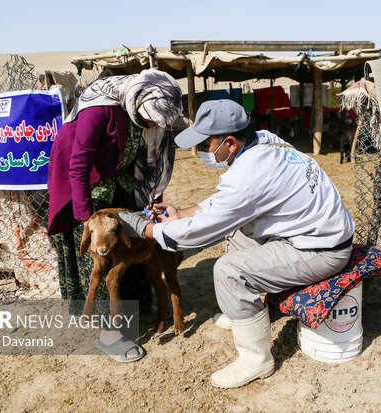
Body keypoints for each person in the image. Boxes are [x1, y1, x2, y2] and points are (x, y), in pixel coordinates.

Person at [119, 99, 354, 388]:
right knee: (237, 232)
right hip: (320, 230)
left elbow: (203, 229)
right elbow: (225, 205)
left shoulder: (249, 176)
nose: (201, 151)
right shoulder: (265, 142)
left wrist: (145, 229)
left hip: (322, 250)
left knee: (229, 270)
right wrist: (182, 214)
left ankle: (257, 359)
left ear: (229, 142)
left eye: (205, 145)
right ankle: (242, 312)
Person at [47, 69, 182, 362]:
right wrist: (89, 225)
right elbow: (78, 167)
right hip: (84, 188)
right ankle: (110, 335)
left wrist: (151, 203)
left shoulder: (145, 108)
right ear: (137, 103)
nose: (151, 125)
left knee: (129, 253)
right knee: (100, 265)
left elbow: (152, 163)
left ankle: (132, 314)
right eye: (148, 119)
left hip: (119, 182)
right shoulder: (100, 108)